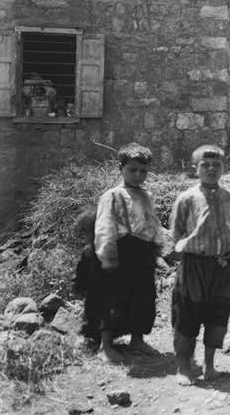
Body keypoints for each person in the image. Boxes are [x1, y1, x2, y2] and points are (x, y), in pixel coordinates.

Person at [93, 143, 173, 363]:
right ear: (121, 168)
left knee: (143, 296)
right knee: (114, 297)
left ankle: (137, 340)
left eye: (143, 171)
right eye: (132, 170)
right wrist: (106, 257)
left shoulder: (146, 195)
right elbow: (104, 227)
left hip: (143, 252)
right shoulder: (113, 195)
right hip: (121, 251)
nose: (138, 175)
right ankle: (106, 345)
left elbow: (152, 223)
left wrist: (157, 249)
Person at [170, 144, 230, 385]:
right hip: (193, 266)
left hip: (222, 266)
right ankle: (183, 367)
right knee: (187, 314)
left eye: (216, 165)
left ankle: (210, 364)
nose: (211, 169)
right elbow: (176, 233)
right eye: (205, 165)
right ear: (195, 168)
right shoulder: (186, 199)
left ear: (223, 167)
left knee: (217, 313)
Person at [72, 208, 106, 352]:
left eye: (86, 232)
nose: (85, 237)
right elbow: (81, 273)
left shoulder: (110, 249)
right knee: (92, 316)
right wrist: (78, 286)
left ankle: (103, 341)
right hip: (93, 295)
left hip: (107, 296)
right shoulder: (88, 252)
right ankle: (94, 338)